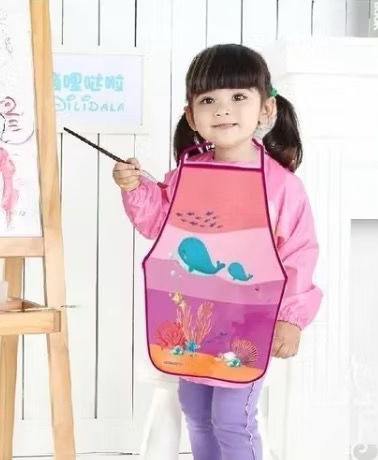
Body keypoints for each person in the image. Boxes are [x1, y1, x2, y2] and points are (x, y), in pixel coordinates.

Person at [113, 43, 322, 460]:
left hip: (250, 321)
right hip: (193, 317)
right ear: (191, 115)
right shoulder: (188, 173)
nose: (223, 109)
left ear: (265, 109)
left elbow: (299, 253)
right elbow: (158, 223)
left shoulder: (281, 186)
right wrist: (135, 187)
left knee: (232, 418)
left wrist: (291, 318)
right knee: (195, 411)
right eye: (208, 100)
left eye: (238, 96)